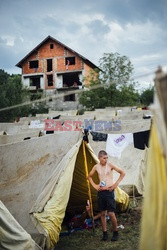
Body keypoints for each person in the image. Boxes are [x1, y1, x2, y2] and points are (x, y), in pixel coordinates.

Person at [88, 150, 125, 241]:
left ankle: (115, 232)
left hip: (109, 191)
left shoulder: (110, 165)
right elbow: (89, 176)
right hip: (101, 192)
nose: (106, 160)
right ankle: (105, 233)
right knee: (103, 214)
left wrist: (115, 184)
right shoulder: (96, 166)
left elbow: (122, 173)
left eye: (107, 158)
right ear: (99, 158)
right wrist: (95, 186)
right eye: (104, 158)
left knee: (111, 213)